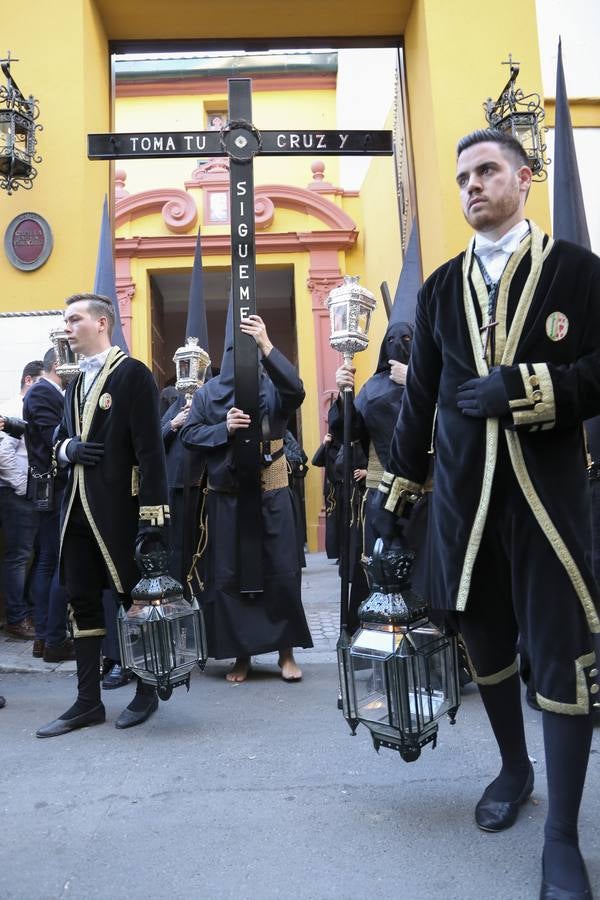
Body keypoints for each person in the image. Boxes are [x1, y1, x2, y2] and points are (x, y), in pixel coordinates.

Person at [374, 129, 600, 899]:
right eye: (463, 175)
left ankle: (563, 838)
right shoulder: (439, 288)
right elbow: (419, 403)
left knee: (566, 650)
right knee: (484, 638)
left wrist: (532, 390)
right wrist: (391, 498)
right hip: (463, 506)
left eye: (488, 171)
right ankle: (513, 766)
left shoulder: (577, 272)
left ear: (524, 179)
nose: (472, 185)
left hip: (549, 500)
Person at [36, 292, 170, 738]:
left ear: (102, 323)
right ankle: (88, 701)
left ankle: (147, 691)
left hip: (120, 513)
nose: (67, 327)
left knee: (137, 602)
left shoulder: (133, 375)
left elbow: (152, 454)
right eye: (65, 320)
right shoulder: (74, 384)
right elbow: (57, 442)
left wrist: (153, 521)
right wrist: (66, 448)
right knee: (82, 602)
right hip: (74, 513)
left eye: (74, 319)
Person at [181, 310, 313, 683]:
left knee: (282, 571)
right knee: (231, 575)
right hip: (228, 497)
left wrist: (267, 343)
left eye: (250, 348)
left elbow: (296, 390)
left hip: (272, 491)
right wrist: (223, 428)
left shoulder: (272, 385)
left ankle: (285, 652)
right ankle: (243, 655)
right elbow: (190, 436)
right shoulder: (209, 393)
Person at [331, 322, 412, 629]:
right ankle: (380, 636)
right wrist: (345, 396)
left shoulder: (431, 381)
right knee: (381, 566)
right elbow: (350, 431)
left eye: (407, 340)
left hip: (427, 497)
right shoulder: (373, 387)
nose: (399, 345)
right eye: (392, 340)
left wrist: (416, 381)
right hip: (382, 493)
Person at [23, 347, 74, 661]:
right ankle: (51, 636)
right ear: (59, 365)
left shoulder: (45, 392)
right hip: (52, 489)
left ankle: (45, 637)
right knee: (55, 564)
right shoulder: (44, 392)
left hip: (49, 488)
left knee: (48, 562)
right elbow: (52, 436)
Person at [0, 360, 43, 640]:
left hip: (28, 492)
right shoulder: (14, 408)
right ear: (28, 380)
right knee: (19, 556)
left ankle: (25, 612)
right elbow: (4, 453)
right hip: (17, 493)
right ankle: (16, 617)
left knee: (32, 555)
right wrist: (22, 487)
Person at [311, 430, 342, 561]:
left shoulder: (345, 447)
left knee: (344, 521)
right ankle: (337, 553)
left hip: (345, 487)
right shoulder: (329, 446)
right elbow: (316, 461)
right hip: (332, 492)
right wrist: (324, 444)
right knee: (334, 523)